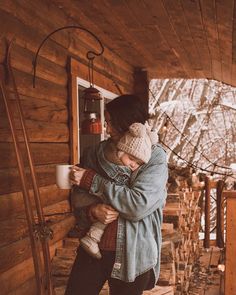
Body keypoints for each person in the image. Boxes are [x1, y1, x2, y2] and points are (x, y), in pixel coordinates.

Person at [65, 94, 168, 295]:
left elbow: (137, 205)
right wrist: (93, 211)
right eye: (106, 122)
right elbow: (76, 200)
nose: (107, 128)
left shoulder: (154, 157)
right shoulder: (94, 153)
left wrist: (92, 180)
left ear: (129, 124)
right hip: (92, 248)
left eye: (111, 123)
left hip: (134, 253)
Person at [79, 122, 158, 259]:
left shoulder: (153, 162)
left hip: (124, 239)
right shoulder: (112, 164)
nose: (133, 165)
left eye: (138, 163)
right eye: (131, 159)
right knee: (116, 204)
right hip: (110, 235)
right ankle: (93, 236)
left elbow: (136, 203)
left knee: (116, 206)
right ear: (121, 151)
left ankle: (93, 236)